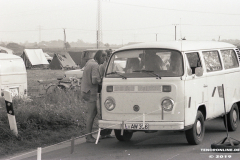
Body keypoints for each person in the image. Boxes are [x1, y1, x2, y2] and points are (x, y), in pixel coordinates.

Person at [81, 50, 106, 143]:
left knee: (93, 113)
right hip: (90, 92)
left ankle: (89, 135)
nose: (105, 60)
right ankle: (88, 136)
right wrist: (101, 80)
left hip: (85, 90)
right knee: (91, 114)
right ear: (101, 57)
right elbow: (94, 81)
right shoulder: (95, 65)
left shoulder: (89, 62)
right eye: (104, 57)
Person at [98, 49, 114, 139]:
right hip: (104, 90)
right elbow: (100, 78)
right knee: (104, 111)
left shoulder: (112, 65)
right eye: (108, 56)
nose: (108, 58)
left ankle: (108, 132)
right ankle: (103, 133)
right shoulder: (102, 66)